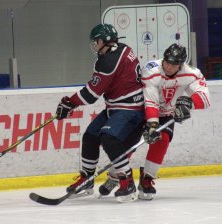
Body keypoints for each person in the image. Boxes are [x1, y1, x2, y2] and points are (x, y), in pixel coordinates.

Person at [99, 43, 210, 201]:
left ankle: (147, 179)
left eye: (173, 64)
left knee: (162, 141)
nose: (168, 66)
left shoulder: (191, 73)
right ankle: (115, 175)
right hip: (141, 111)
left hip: (166, 114)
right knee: (129, 145)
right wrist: (152, 125)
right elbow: (150, 102)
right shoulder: (151, 70)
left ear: (181, 65)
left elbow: (205, 97)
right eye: (166, 62)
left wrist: (189, 103)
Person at [55, 23, 145, 202]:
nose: (95, 45)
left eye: (97, 41)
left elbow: (91, 94)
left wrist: (69, 103)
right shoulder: (122, 49)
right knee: (90, 135)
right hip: (116, 106)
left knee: (109, 138)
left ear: (106, 41)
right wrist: (71, 104)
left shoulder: (109, 61)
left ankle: (127, 182)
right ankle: (87, 180)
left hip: (131, 109)